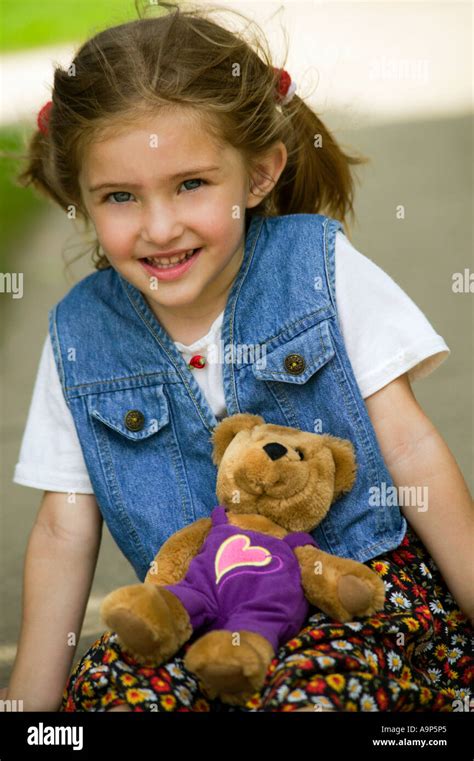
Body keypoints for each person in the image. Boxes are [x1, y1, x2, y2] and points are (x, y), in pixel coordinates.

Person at [6, 3, 473, 713]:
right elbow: (63, 527)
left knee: (315, 696)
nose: (160, 227)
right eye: (121, 196)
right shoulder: (81, 333)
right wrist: (29, 708)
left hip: (361, 603)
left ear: (258, 175)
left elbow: (409, 444)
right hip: (199, 622)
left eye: (191, 184)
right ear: (82, 197)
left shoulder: (316, 268)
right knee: (107, 695)